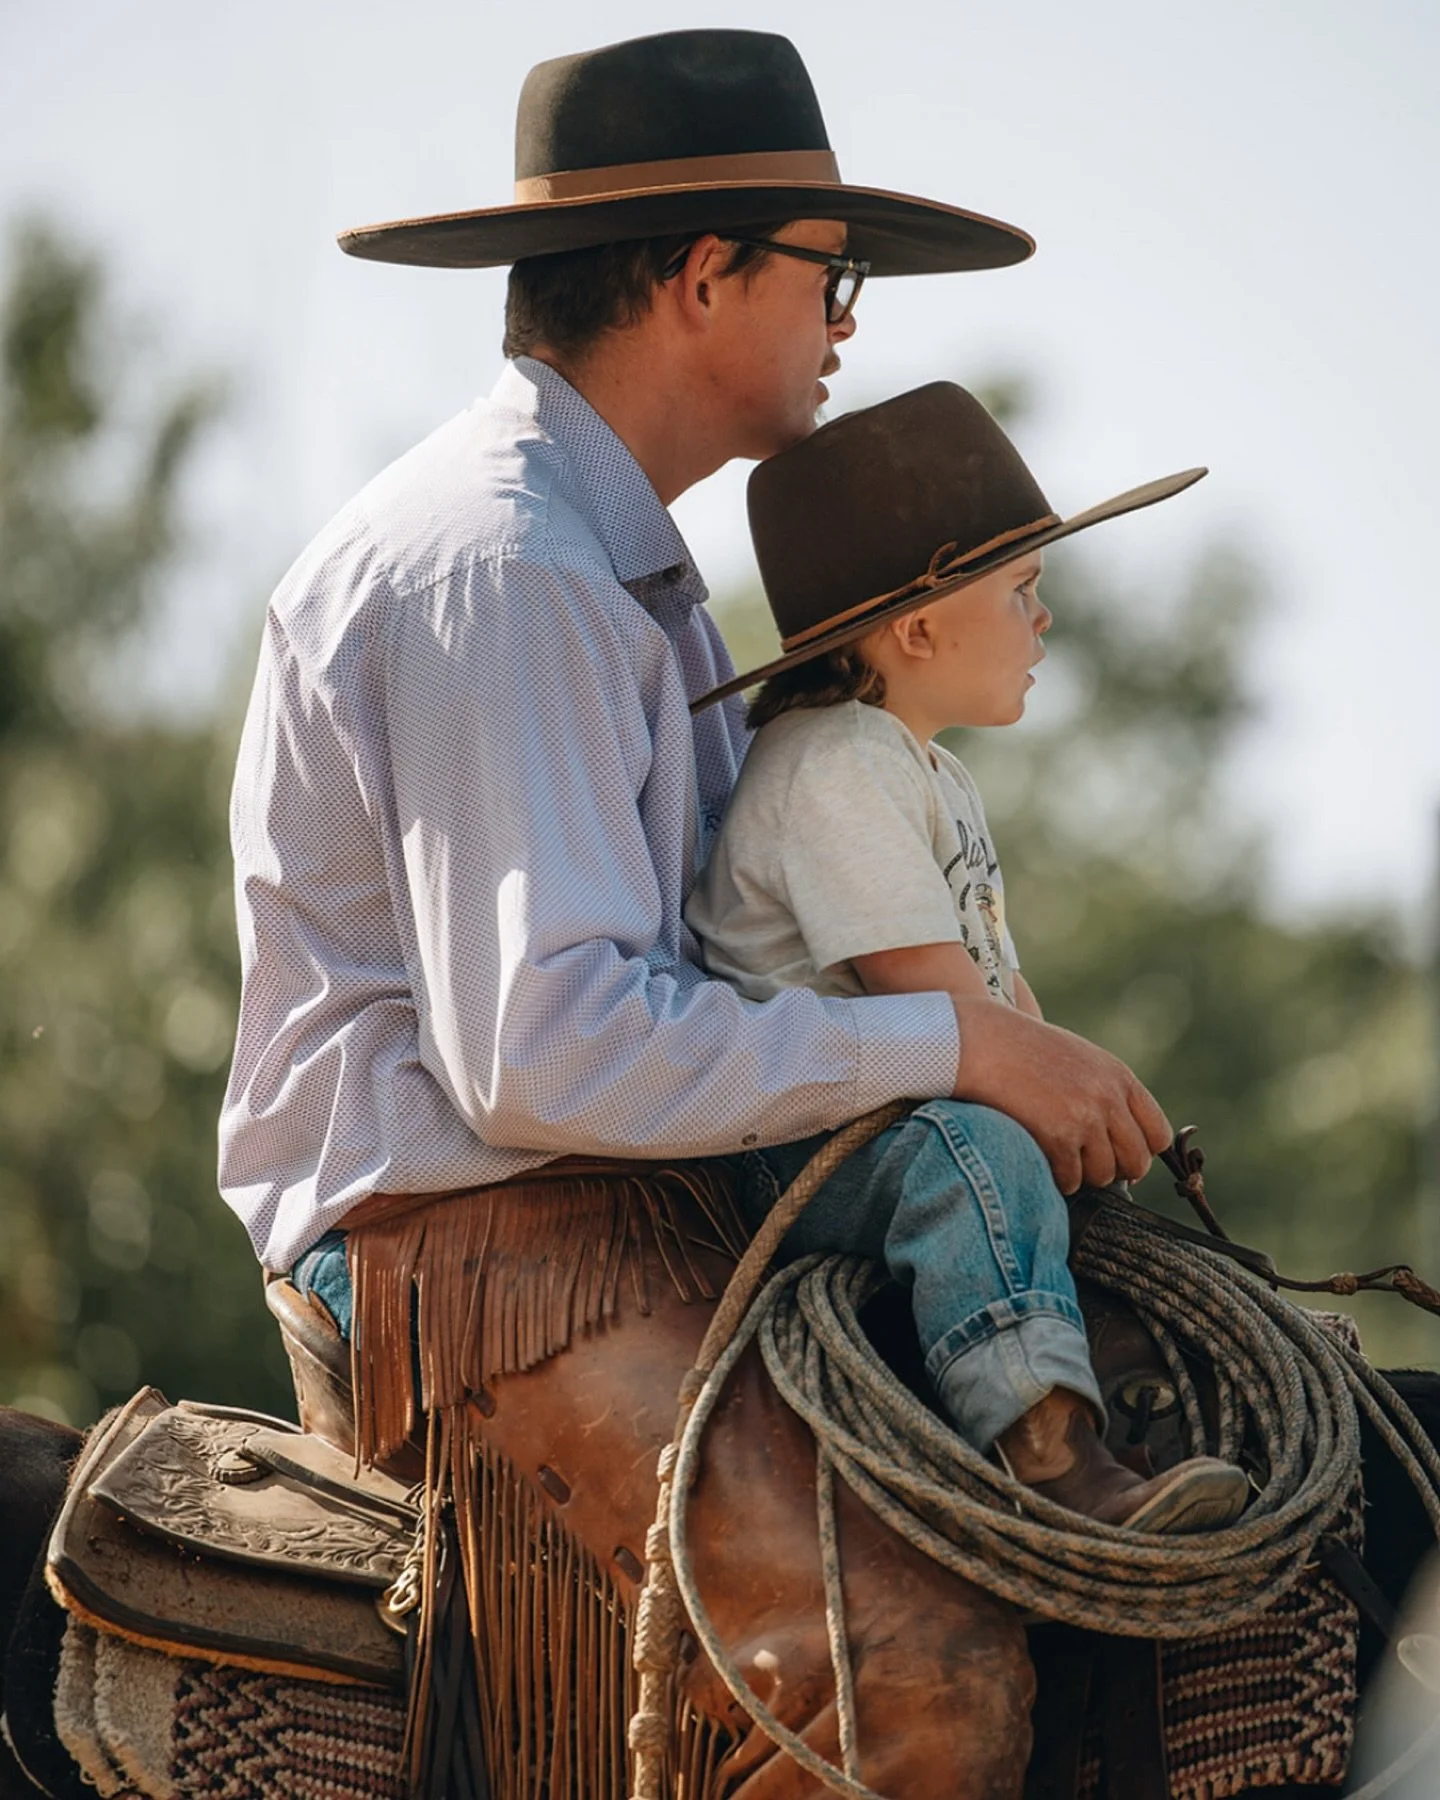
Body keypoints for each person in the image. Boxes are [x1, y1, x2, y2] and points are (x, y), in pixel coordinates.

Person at [216, 27, 1172, 1795]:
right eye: (832, 275)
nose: (849, 323)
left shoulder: (621, 573)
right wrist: (958, 1039)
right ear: (702, 273)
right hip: (472, 1251)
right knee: (904, 1669)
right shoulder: (514, 572)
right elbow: (544, 1058)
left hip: (609, 1200)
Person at [685, 381, 1249, 1530]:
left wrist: (1084, 1105)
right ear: (921, 625)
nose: (1044, 622)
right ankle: (1042, 1445)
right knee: (977, 1146)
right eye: (1023, 592)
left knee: (1012, 1142)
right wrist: (1040, 1101)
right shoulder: (832, 762)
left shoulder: (928, 772)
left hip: (911, 1111)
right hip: (813, 1139)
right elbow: (927, 1000)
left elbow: (1000, 996)